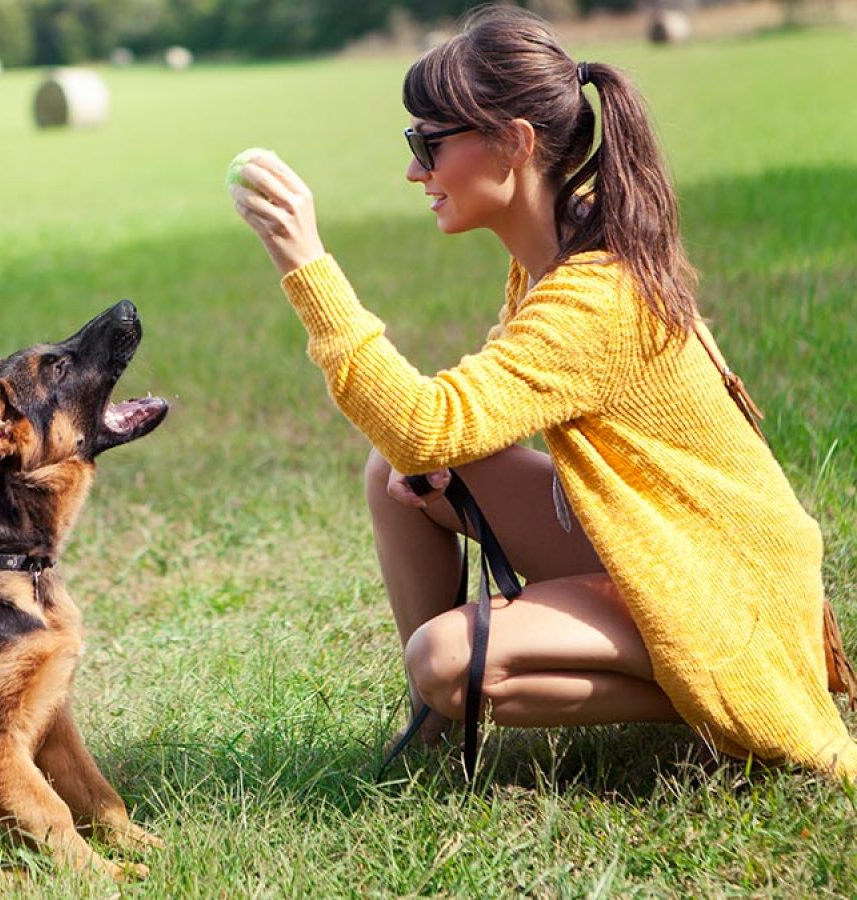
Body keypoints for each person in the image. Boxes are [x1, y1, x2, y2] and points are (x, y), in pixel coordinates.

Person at [228, 5, 857, 777]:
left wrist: (307, 263)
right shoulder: (561, 246)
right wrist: (430, 456)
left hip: (723, 580)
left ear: (515, 144)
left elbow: (430, 424)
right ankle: (429, 740)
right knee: (392, 470)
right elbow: (459, 424)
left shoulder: (595, 297)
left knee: (445, 658)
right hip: (658, 529)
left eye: (429, 143)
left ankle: (733, 685)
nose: (415, 171)